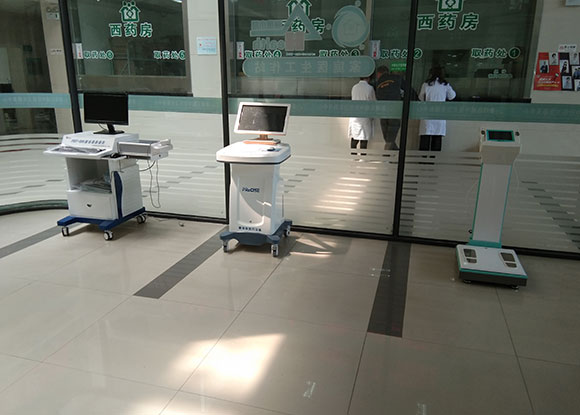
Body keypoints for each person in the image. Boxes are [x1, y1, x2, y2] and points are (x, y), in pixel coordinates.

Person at [418, 66, 456, 151]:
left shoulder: (426, 84)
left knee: (425, 141)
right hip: (439, 116)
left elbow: (421, 97)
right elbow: (452, 96)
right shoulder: (445, 85)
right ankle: (434, 159)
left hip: (427, 115)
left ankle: (423, 159)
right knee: (437, 141)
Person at [375, 66, 405, 150]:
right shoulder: (398, 78)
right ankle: (396, 153)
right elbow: (409, 91)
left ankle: (387, 155)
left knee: (388, 138)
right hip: (395, 111)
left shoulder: (378, 82)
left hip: (383, 112)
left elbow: (376, 97)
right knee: (390, 139)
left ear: (379, 74)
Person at [348, 74, 375, 154]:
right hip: (365, 116)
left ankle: (353, 156)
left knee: (354, 137)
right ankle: (362, 157)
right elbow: (373, 102)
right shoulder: (370, 88)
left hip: (355, 116)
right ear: (368, 78)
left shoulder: (354, 87)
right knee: (364, 138)